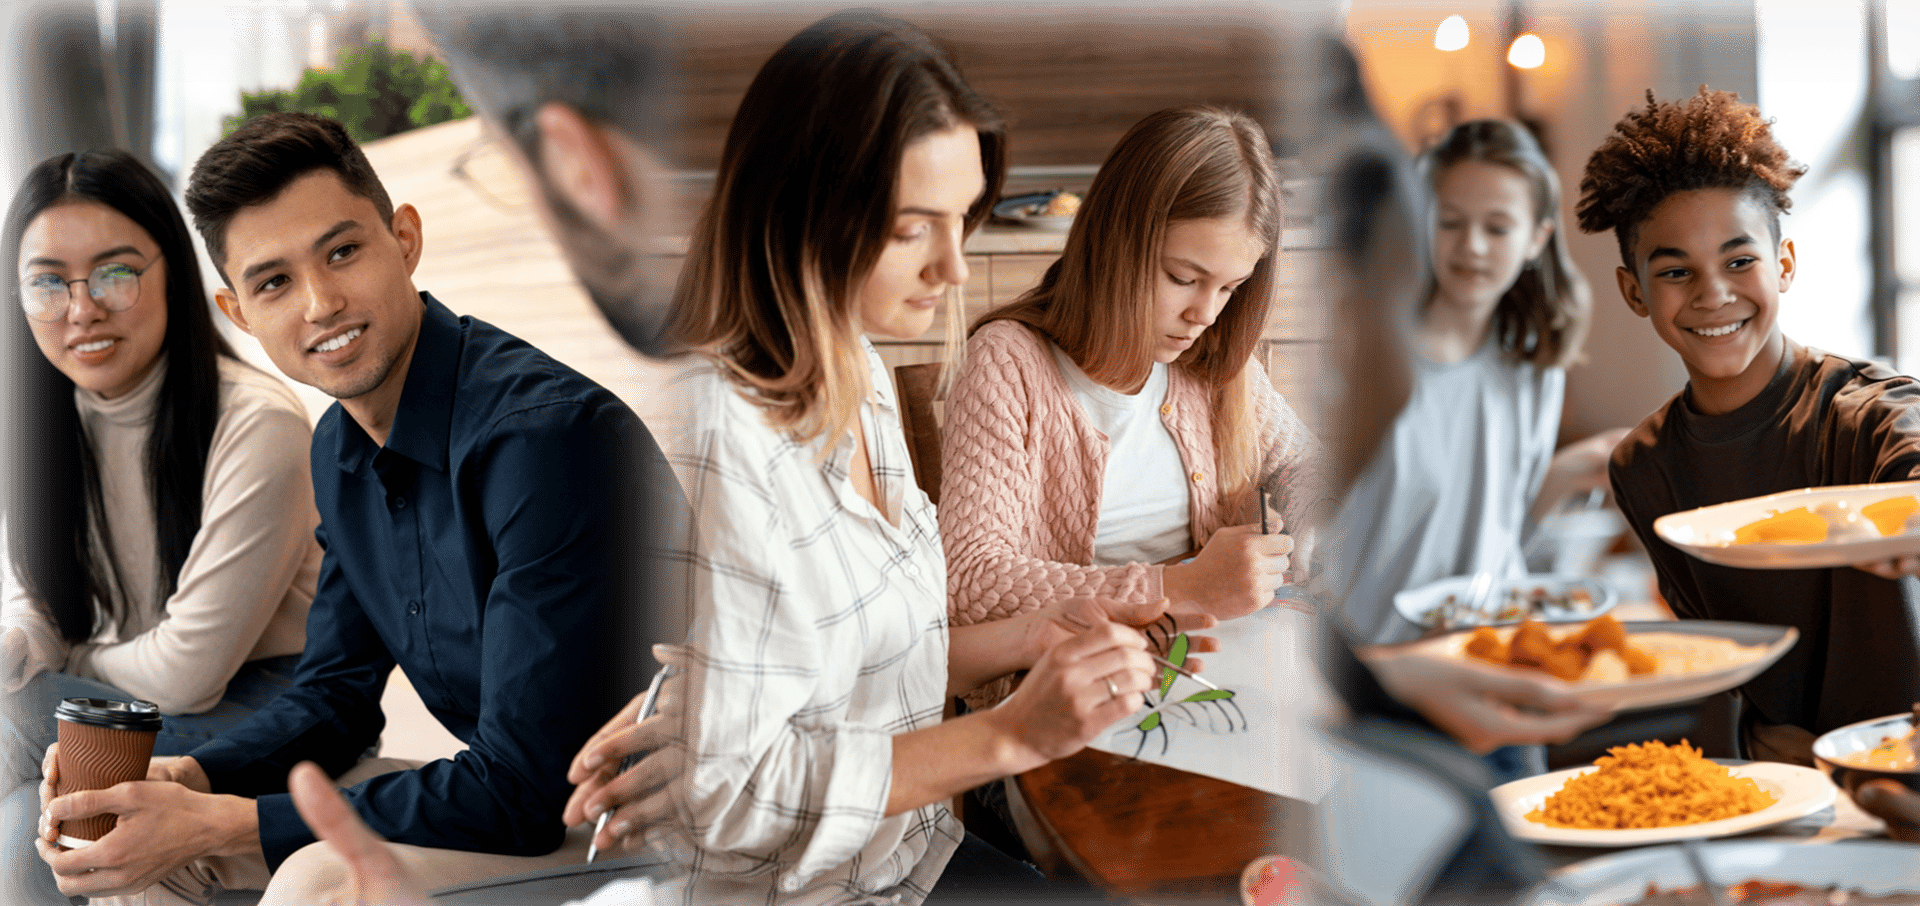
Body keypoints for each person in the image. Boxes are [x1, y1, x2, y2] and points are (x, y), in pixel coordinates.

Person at [33, 112, 671, 905]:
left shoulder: (544, 440)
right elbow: (334, 697)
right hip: (517, 800)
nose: (320, 303)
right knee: (142, 853)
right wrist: (190, 776)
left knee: (317, 882)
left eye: (342, 252)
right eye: (274, 283)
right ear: (238, 312)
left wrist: (219, 822)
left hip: (635, 823)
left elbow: (521, 790)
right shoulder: (339, 445)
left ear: (403, 239)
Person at [1, 149, 320, 906]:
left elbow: (190, 671)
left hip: (265, 716)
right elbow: (35, 598)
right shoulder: (36, 424)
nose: (82, 309)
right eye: (48, 282)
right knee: (21, 829)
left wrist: (54, 658)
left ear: (171, 270)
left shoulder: (259, 425)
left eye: (115, 273)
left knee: (13, 715)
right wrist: (21, 644)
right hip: (115, 709)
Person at [938, 105, 1330, 701]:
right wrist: (1179, 586)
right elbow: (970, 578)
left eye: (1229, 287)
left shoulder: (1216, 366)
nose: (1206, 314)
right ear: (1116, 244)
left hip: (1217, 676)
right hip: (1062, 706)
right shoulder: (1007, 365)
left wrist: (1319, 527)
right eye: (1182, 277)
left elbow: (1303, 466)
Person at [1579, 88, 1920, 766]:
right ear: (1634, 291)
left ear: (1784, 264)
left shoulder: (1867, 414)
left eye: (1740, 261)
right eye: (1676, 271)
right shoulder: (1643, 467)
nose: (1713, 293)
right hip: (1781, 780)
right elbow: (1719, 660)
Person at [1327, 118, 1624, 652]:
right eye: (1451, 221)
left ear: (1537, 239)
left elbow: (1508, 535)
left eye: (1497, 227)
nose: (1472, 246)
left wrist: (1570, 473)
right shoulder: (1371, 360)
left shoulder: (1536, 368)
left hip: (1489, 651)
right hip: (1379, 668)